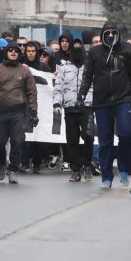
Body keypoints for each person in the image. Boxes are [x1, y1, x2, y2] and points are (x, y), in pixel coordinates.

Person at [78, 24, 131, 189]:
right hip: (102, 102)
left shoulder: (127, 50)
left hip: (123, 99)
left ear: (118, 34)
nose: (110, 35)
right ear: (102, 35)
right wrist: (81, 94)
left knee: (126, 134)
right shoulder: (94, 53)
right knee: (105, 140)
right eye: (107, 33)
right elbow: (88, 75)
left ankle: (124, 168)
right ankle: (107, 175)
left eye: (113, 33)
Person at [0, 42, 37, 185]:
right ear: (6, 53)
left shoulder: (25, 71)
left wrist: (33, 111)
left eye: (16, 50)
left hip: (18, 112)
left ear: (19, 54)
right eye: (10, 50)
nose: (13, 52)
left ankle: (13, 169)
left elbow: (32, 92)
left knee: (18, 141)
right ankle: (1, 162)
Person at [53, 40, 94, 182]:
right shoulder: (64, 68)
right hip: (69, 107)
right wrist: (57, 104)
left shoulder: (90, 67)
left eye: (80, 50)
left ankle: (88, 165)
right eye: (74, 50)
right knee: (72, 140)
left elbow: (95, 86)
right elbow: (58, 87)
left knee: (88, 136)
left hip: (87, 106)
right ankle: (76, 169)